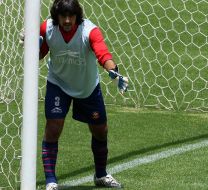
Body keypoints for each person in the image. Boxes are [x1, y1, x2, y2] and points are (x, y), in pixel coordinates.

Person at [21, 0, 128, 189]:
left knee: (101, 131)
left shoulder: (90, 31)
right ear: (57, 16)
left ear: (78, 16)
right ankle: (51, 181)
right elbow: (39, 55)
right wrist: (31, 46)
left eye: (72, 16)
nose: (68, 20)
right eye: (63, 16)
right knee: (53, 128)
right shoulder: (48, 28)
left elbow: (103, 54)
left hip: (87, 87)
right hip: (58, 84)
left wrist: (114, 71)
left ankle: (101, 175)